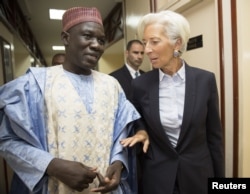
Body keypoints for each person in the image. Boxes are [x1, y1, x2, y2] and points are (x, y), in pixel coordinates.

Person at [0, 7, 148, 194]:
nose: (96, 45)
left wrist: (118, 163)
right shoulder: (35, 84)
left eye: (101, 40)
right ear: (66, 38)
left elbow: (122, 134)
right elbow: (7, 139)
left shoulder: (112, 85)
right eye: (87, 36)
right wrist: (52, 165)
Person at [120, 10, 225, 194]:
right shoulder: (140, 85)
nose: (147, 50)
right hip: (158, 179)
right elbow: (137, 119)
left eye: (154, 41)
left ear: (177, 43)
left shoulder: (205, 80)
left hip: (198, 177)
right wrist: (142, 130)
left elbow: (214, 139)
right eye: (145, 43)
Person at [110, 40, 145, 194]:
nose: (139, 56)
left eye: (142, 53)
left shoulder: (148, 77)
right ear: (127, 53)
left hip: (146, 138)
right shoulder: (113, 79)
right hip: (125, 139)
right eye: (135, 52)